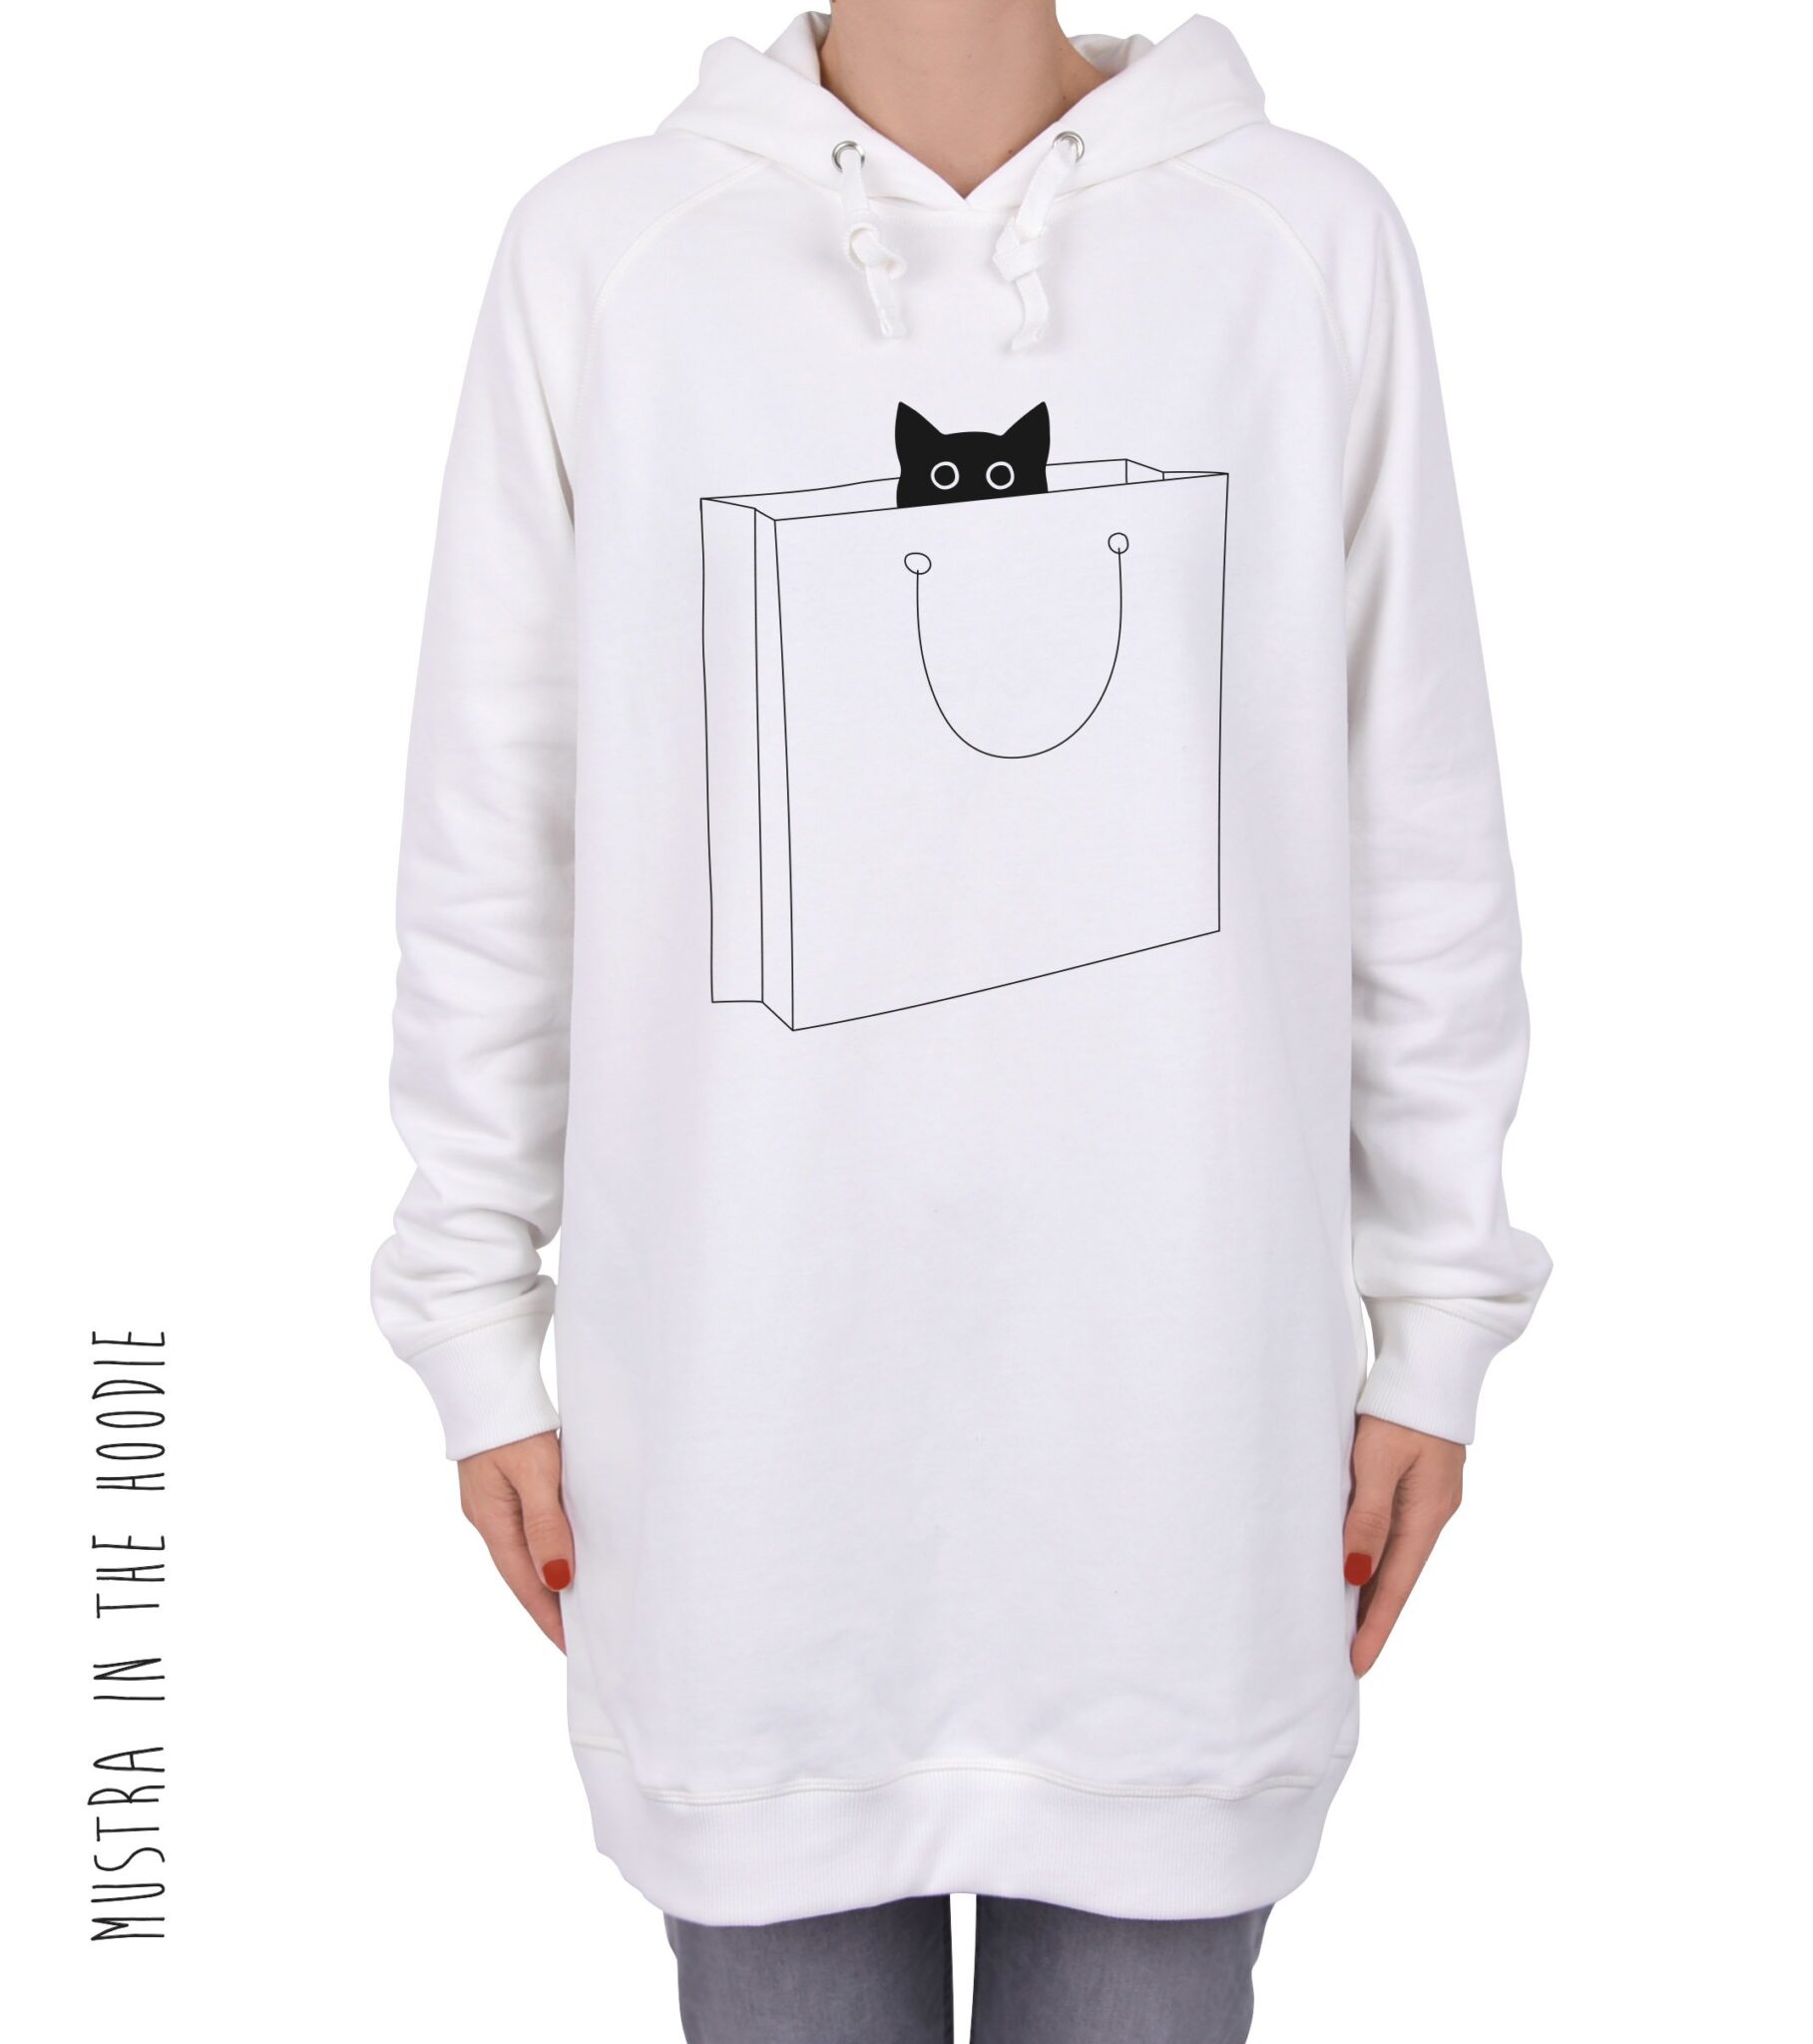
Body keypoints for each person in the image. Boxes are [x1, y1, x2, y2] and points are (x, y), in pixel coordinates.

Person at [372, 4, 1551, 2037]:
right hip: (746, 1462)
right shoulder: (603, 255)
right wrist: (472, 1326)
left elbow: (1413, 822)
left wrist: (1436, 1324)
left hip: (1178, 1458)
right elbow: (498, 832)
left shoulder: (1300, 241)